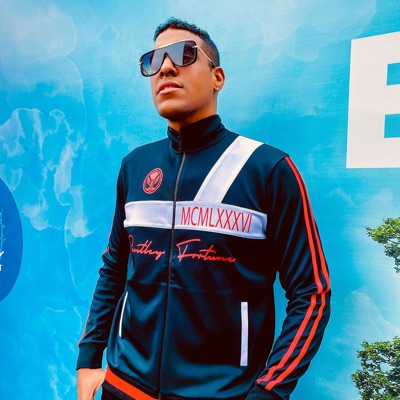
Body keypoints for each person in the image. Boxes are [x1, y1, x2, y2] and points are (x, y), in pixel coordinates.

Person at [77, 17, 331, 400]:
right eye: (152, 60)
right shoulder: (135, 166)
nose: (165, 68)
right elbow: (115, 266)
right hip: (123, 386)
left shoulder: (268, 169)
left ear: (218, 78)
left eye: (183, 54)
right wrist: (88, 359)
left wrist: (269, 392)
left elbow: (312, 292)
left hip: (221, 393)